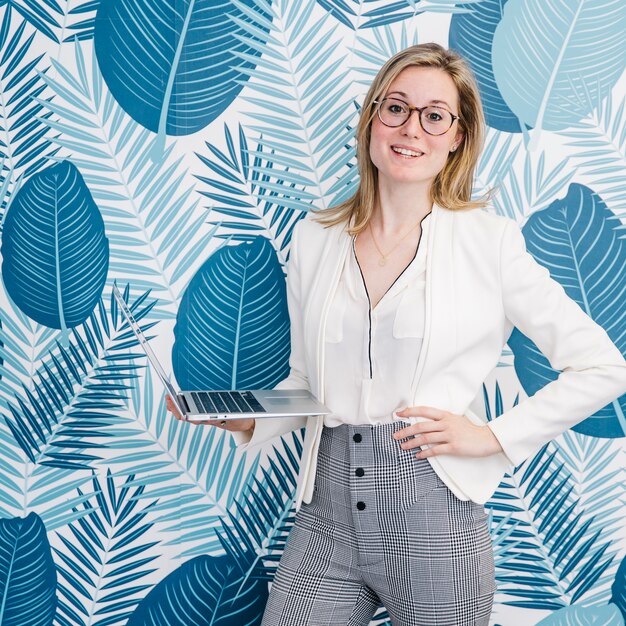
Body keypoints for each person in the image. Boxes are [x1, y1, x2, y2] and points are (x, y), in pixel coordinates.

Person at [167, 43, 626, 626]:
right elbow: (309, 381)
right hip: (325, 518)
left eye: (435, 115)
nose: (412, 128)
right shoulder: (316, 239)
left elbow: (604, 367)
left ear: (457, 136)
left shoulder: (491, 243)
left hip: (436, 520)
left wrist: (492, 437)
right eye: (396, 108)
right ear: (372, 119)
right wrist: (247, 418)